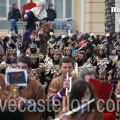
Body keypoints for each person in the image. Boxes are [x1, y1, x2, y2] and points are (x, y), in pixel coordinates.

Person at [5, 56, 46, 120]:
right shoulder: (9, 84)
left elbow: (42, 108)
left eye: (23, 67)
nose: (20, 69)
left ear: (29, 69)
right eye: (18, 67)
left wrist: (27, 103)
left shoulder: (37, 85)